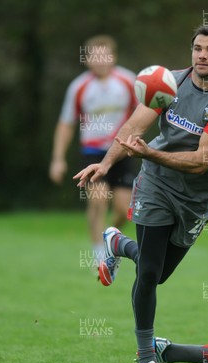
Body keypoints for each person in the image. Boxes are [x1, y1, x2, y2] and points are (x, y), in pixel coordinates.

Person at [74, 25, 208, 363]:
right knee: (149, 273)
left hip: (197, 199)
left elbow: (202, 161)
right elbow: (134, 126)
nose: (201, 55)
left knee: (161, 272)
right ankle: (146, 359)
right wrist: (105, 164)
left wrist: (149, 151)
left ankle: (116, 242)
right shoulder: (169, 84)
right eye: (197, 48)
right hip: (156, 184)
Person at [50, 35, 137, 262]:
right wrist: (58, 158)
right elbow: (66, 123)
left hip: (121, 151)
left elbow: (142, 115)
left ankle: (110, 237)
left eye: (105, 56)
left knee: (124, 209)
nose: (100, 62)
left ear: (114, 57)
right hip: (93, 152)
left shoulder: (129, 81)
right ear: (87, 60)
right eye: (95, 57)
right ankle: (99, 253)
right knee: (98, 199)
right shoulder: (79, 87)